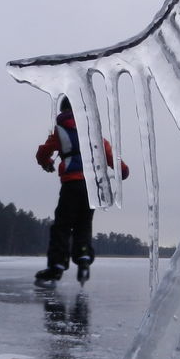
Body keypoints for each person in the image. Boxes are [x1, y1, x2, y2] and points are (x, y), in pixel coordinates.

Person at [34, 97, 129, 284]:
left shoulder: (59, 130)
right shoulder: (92, 131)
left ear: (63, 110)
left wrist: (46, 163)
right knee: (83, 224)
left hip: (71, 184)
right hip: (92, 187)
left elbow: (43, 152)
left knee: (62, 225)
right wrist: (123, 170)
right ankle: (84, 259)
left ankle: (57, 266)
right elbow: (108, 153)